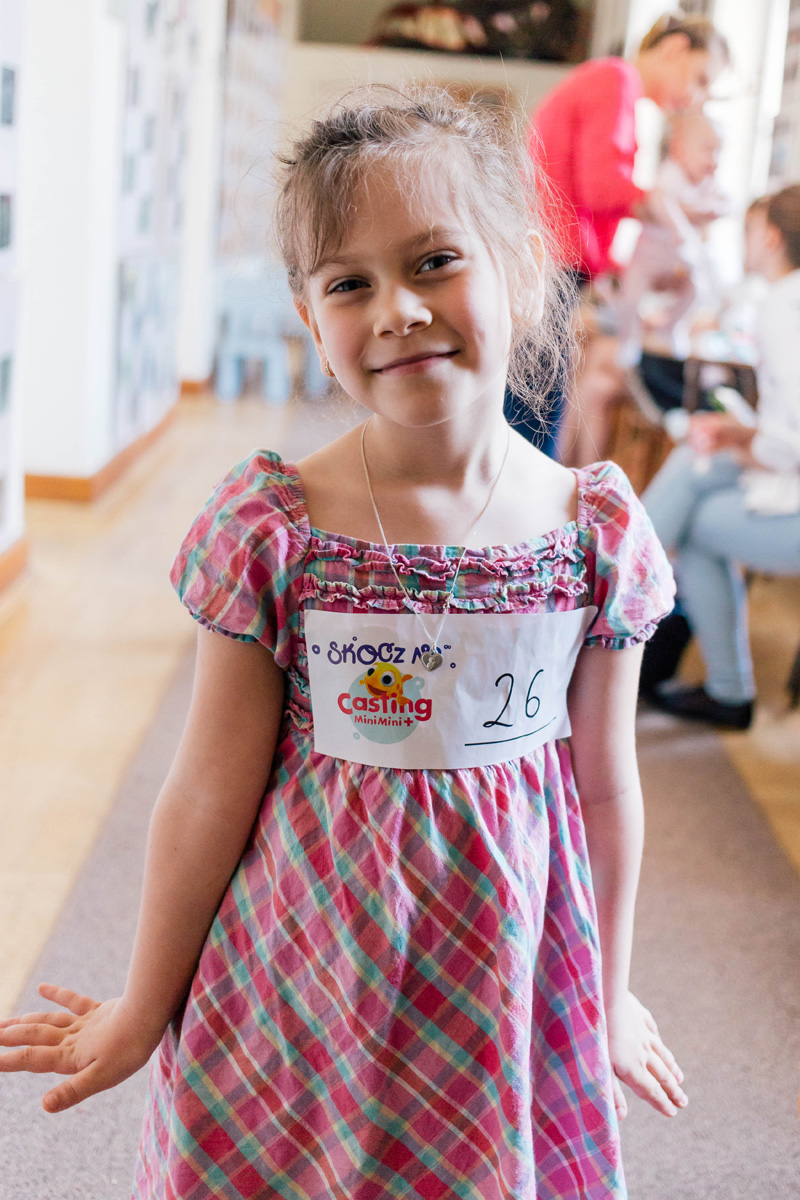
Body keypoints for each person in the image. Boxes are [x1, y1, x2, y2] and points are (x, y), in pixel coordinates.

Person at [0, 87, 686, 1199]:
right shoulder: (276, 524)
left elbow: (604, 791)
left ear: (522, 268)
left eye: (434, 262)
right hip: (300, 966)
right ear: (309, 318)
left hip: (499, 974)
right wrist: (143, 1004)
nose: (397, 310)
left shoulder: (594, 531)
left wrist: (605, 995)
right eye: (348, 283)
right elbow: (206, 793)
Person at [522, 11, 730, 465]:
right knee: (536, 404)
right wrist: (675, 210)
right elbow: (601, 187)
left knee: (544, 394)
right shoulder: (616, 79)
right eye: (700, 79)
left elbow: (585, 194)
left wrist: (620, 267)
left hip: (555, 257)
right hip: (552, 260)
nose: (697, 98)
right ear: (674, 49)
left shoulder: (613, 84)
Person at [641, 185, 800, 729]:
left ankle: (611, 592)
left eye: (750, 230)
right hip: (787, 482)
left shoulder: (783, 305)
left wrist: (741, 438)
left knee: (695, 509)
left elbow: (790, 443)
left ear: (771, 237)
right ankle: (623, 586)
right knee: (696, 462)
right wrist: (740, 433)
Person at [617, 110, 730, 368]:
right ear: (679, 150)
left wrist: (717, 208)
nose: (713, 160)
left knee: (699, 289)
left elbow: (727, 202)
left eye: (718, 153)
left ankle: (672, 326)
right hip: (649, 255)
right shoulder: (671, 172)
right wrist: (683, 228)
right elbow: (658, 199)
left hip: (678, 260)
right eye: (707, 150)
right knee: (630, 297)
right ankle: (628, 338)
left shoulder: (707, 182)